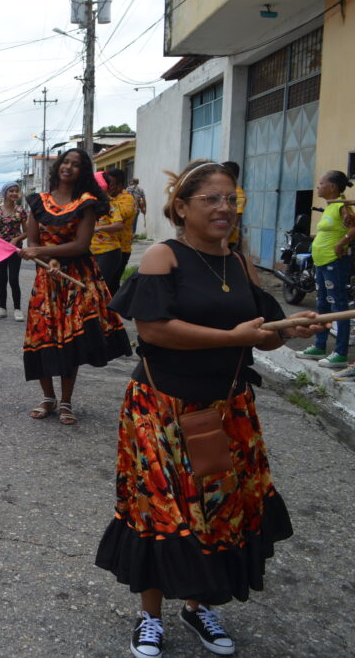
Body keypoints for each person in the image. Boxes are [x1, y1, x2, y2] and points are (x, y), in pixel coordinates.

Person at [95, 159, 324, 658]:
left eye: (232, 199)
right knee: (161, 510)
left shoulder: (239, 264)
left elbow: (264, 335)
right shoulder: (163, 257)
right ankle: (149, 617)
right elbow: (154, 330)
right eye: (212, 199)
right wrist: (231, 336)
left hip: (229, 410)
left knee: (217, 511)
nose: (225, 208)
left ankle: (199, 607)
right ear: (182, 207)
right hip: (162, 410)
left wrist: (293, 330)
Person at [20, 149, 132, 425]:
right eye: (66, 162)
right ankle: (48, 398)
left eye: (76, 164)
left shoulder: (87, 203)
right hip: (47, 277)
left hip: (75, 278)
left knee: (70, 339)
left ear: (83, 171)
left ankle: (67, 400)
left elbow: (82, 245)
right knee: (41, 335)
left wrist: (51, 254)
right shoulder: (38, 201)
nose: (69, 167)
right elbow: (33, 241)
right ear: (58, 166)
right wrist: (47, 256)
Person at [294, 170, 355, 370]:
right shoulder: (330, 206)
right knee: (322, 306)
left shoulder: (341, 206)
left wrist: (342, 242)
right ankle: (320, 347)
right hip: (321, 262)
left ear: (333, 188)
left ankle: (340, 354)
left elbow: (354, 225)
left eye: (321, 183)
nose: (318, 186)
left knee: (338, 306)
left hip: (334, 262)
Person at [0, 182, 28, 320]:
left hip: (15, 249)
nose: (14, 193)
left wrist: (16, 239)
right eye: (11, 191)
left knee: (13, 279)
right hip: (0, 249)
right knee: (2, 279)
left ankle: (17, 309)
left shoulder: (20, 210)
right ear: (5, 193)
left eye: (16, 191)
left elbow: (27, 231)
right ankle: (2, 308)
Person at [90, 172, 126, 296]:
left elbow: (119, 225)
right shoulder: (90, 204)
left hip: (109, 252)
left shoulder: (111, 204)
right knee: (93, 290)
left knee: (100, 290)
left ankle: (110, 314)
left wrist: (97, 229)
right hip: (91, 252)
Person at [111, 169, 138, 288]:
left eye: (110, 183)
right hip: (103, 248)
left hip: (121, 249)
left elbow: (120, 214)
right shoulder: (108, 197)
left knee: (111, 283)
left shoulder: (127, 199)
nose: (107, 186)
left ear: (120, 185)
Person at [222, 162, 247, 250]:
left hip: (227, 240)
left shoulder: (238, 194)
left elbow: (235, 219)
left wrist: (225, 239)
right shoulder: (223, 190)